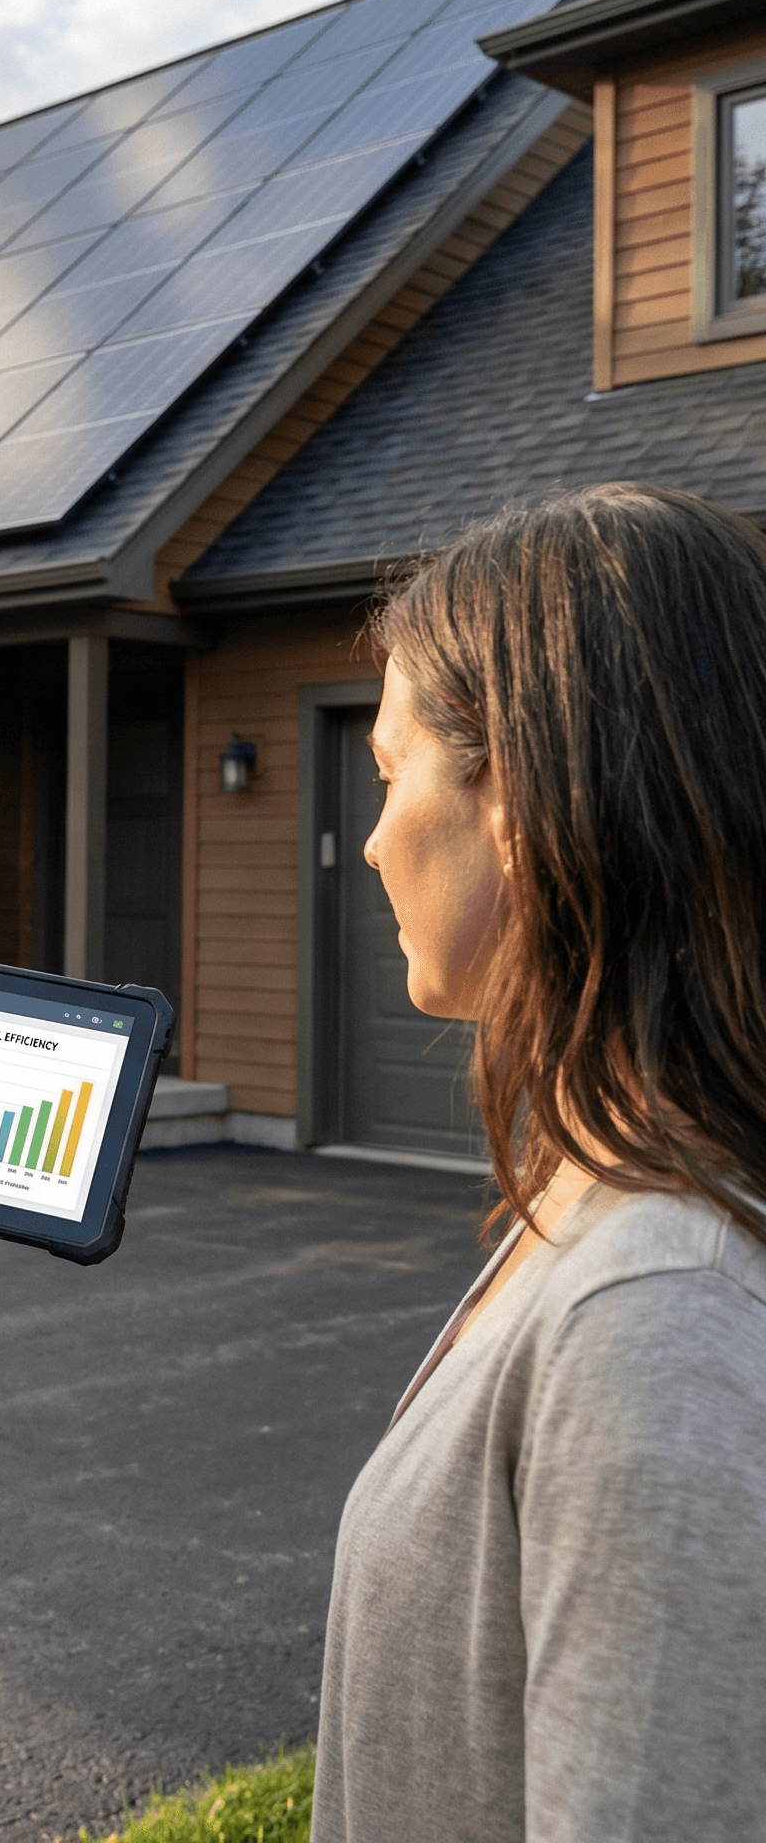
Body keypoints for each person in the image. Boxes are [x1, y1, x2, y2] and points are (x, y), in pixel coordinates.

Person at [312, 484, 766, 1843]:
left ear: (516, 788)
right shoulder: (612, 1201)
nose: (376, 835)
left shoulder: (657, 1316)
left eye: (391, 771)